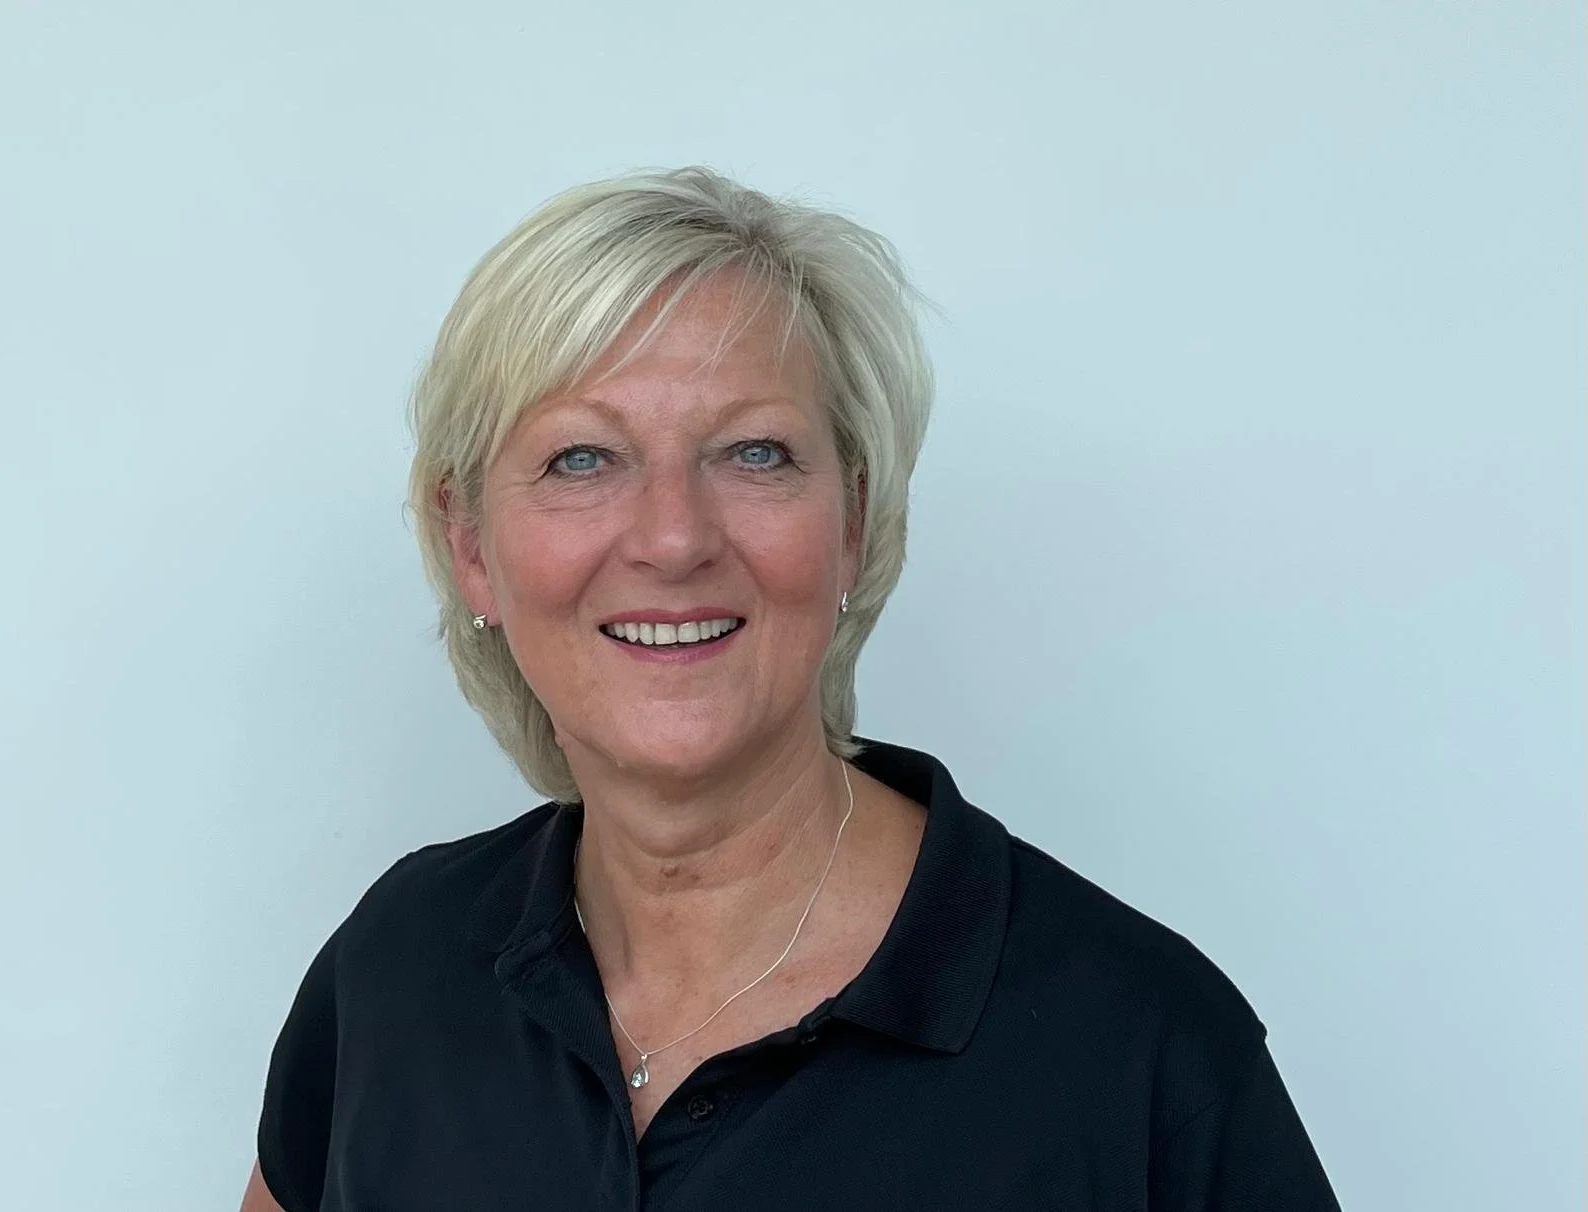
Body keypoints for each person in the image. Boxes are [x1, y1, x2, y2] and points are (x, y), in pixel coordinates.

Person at [240, 166, 1342, 1211]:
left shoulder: (1140, 1049)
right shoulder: (396, 968)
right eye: (583, 458)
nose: (673, 538)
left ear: (852, 523)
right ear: (470, 543)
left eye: (754, 454)